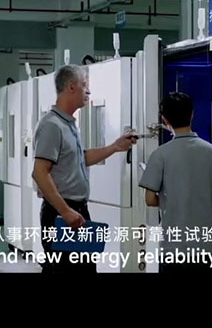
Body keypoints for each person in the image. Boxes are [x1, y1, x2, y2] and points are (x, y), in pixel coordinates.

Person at [32, 64, 136, 273]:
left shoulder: (69, 124)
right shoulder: (52, 125)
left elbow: (81, 158)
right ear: (71, 87)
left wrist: (116, 146)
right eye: (85, 85)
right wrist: (65, 211)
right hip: (61, 213)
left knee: (85, 268)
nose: (88, 91)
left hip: (77, 211)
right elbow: (40, 172)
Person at [139, 92, 212, 274]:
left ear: (165, 119)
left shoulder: (160, 155)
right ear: (192, 114)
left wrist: (172, 200)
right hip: (205, 248)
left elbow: (150, 199)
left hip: (174, 247)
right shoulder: (211, 152)